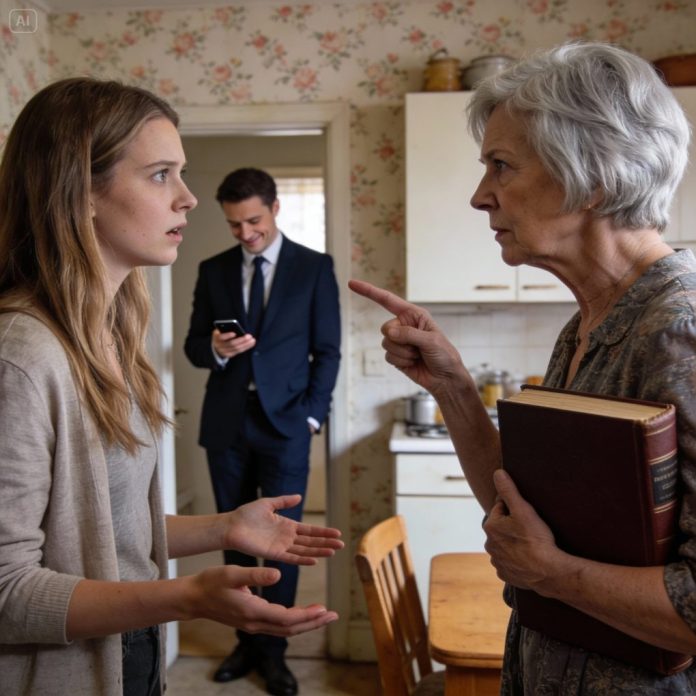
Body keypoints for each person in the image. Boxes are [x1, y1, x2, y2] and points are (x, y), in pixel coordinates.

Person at [350, 42, 696, 692]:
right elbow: (523, 514)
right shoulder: (587, 324)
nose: (480, 197)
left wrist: (554, 575)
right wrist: (453, 386)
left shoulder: (681, 331)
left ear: (593, 176)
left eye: (501, 166)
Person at [0, 78, 344, 696]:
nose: (188, 198)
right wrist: (187, 596)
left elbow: (111, 528)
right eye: (162, 174)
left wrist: (223, 527)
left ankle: (271, 655)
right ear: (80, 191)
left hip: (131, 655)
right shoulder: (21, 357)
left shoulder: (110, 339)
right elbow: (7, 591)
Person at [184, 167, 341, 695]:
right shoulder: (213, 270)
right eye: (234, 224)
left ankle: (274, 652)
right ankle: (245, 641)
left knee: (283, 545)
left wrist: (312, 417)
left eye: (253, 220)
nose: (245, 233)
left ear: (275, 208)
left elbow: (328, 352)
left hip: (288, 426)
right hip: (226, 425)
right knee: (233, 539)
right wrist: (215, 350)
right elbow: (192, 346)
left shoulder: (315, 267)